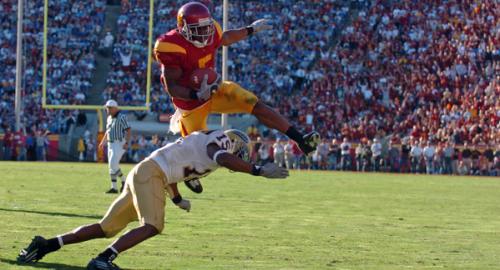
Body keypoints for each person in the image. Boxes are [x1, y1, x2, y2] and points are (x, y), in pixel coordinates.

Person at [17, 129, 288, 270]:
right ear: (235, 144)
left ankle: (47, 244)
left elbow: (174, 168)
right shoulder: (219, 144)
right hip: (151, 174)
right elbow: (220, 156)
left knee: (106, 227)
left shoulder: (207, 141)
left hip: (146, 171)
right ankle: (103, 259)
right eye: (242, 153)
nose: (241, 157)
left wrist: (178, 197)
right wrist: (258, 170)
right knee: (153, 226)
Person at [153, 2, 319, 192]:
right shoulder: (169, 45)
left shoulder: (212, 29)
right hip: (190, 103)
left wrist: (250, 30)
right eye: (198, 30)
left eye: (206, 28)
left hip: (215, 90)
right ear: (183, 29)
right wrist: (196, 94)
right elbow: (172, 87)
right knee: (202, 150)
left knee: (254, 103)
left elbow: (225, 37)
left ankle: (300, 139)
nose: (204, 34)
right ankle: (191, 173)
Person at [98, 100, 131, 194]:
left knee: (113, 164)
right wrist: (103, 141)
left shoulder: (122, 117)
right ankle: (114, 187)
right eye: (107, 108)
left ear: (115, 108)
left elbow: (128, 130)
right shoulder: (109, 118)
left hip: (119, 143)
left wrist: (127, 143)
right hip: (110, 143)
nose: (107, 110)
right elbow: (107, 131)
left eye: (109, 108)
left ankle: (124, 180)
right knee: (111, 166)